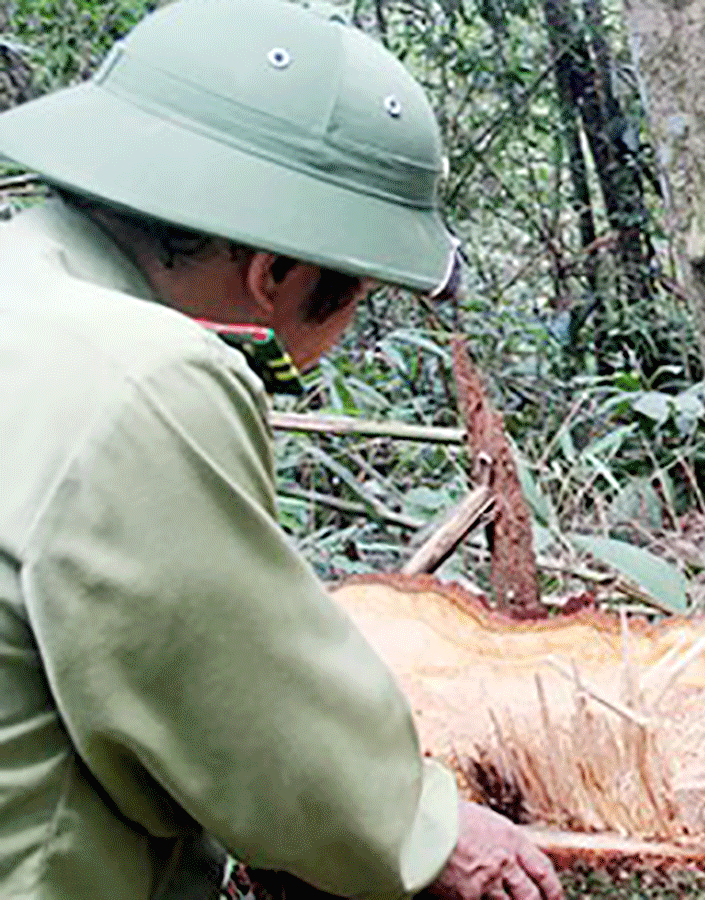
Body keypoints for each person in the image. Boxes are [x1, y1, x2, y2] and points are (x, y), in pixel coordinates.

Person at [0, 1, 562, 898]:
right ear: (277, 275)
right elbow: (253, 722)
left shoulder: (25, 290)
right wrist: (426, 828)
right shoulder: (144, 376)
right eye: (357, 299)